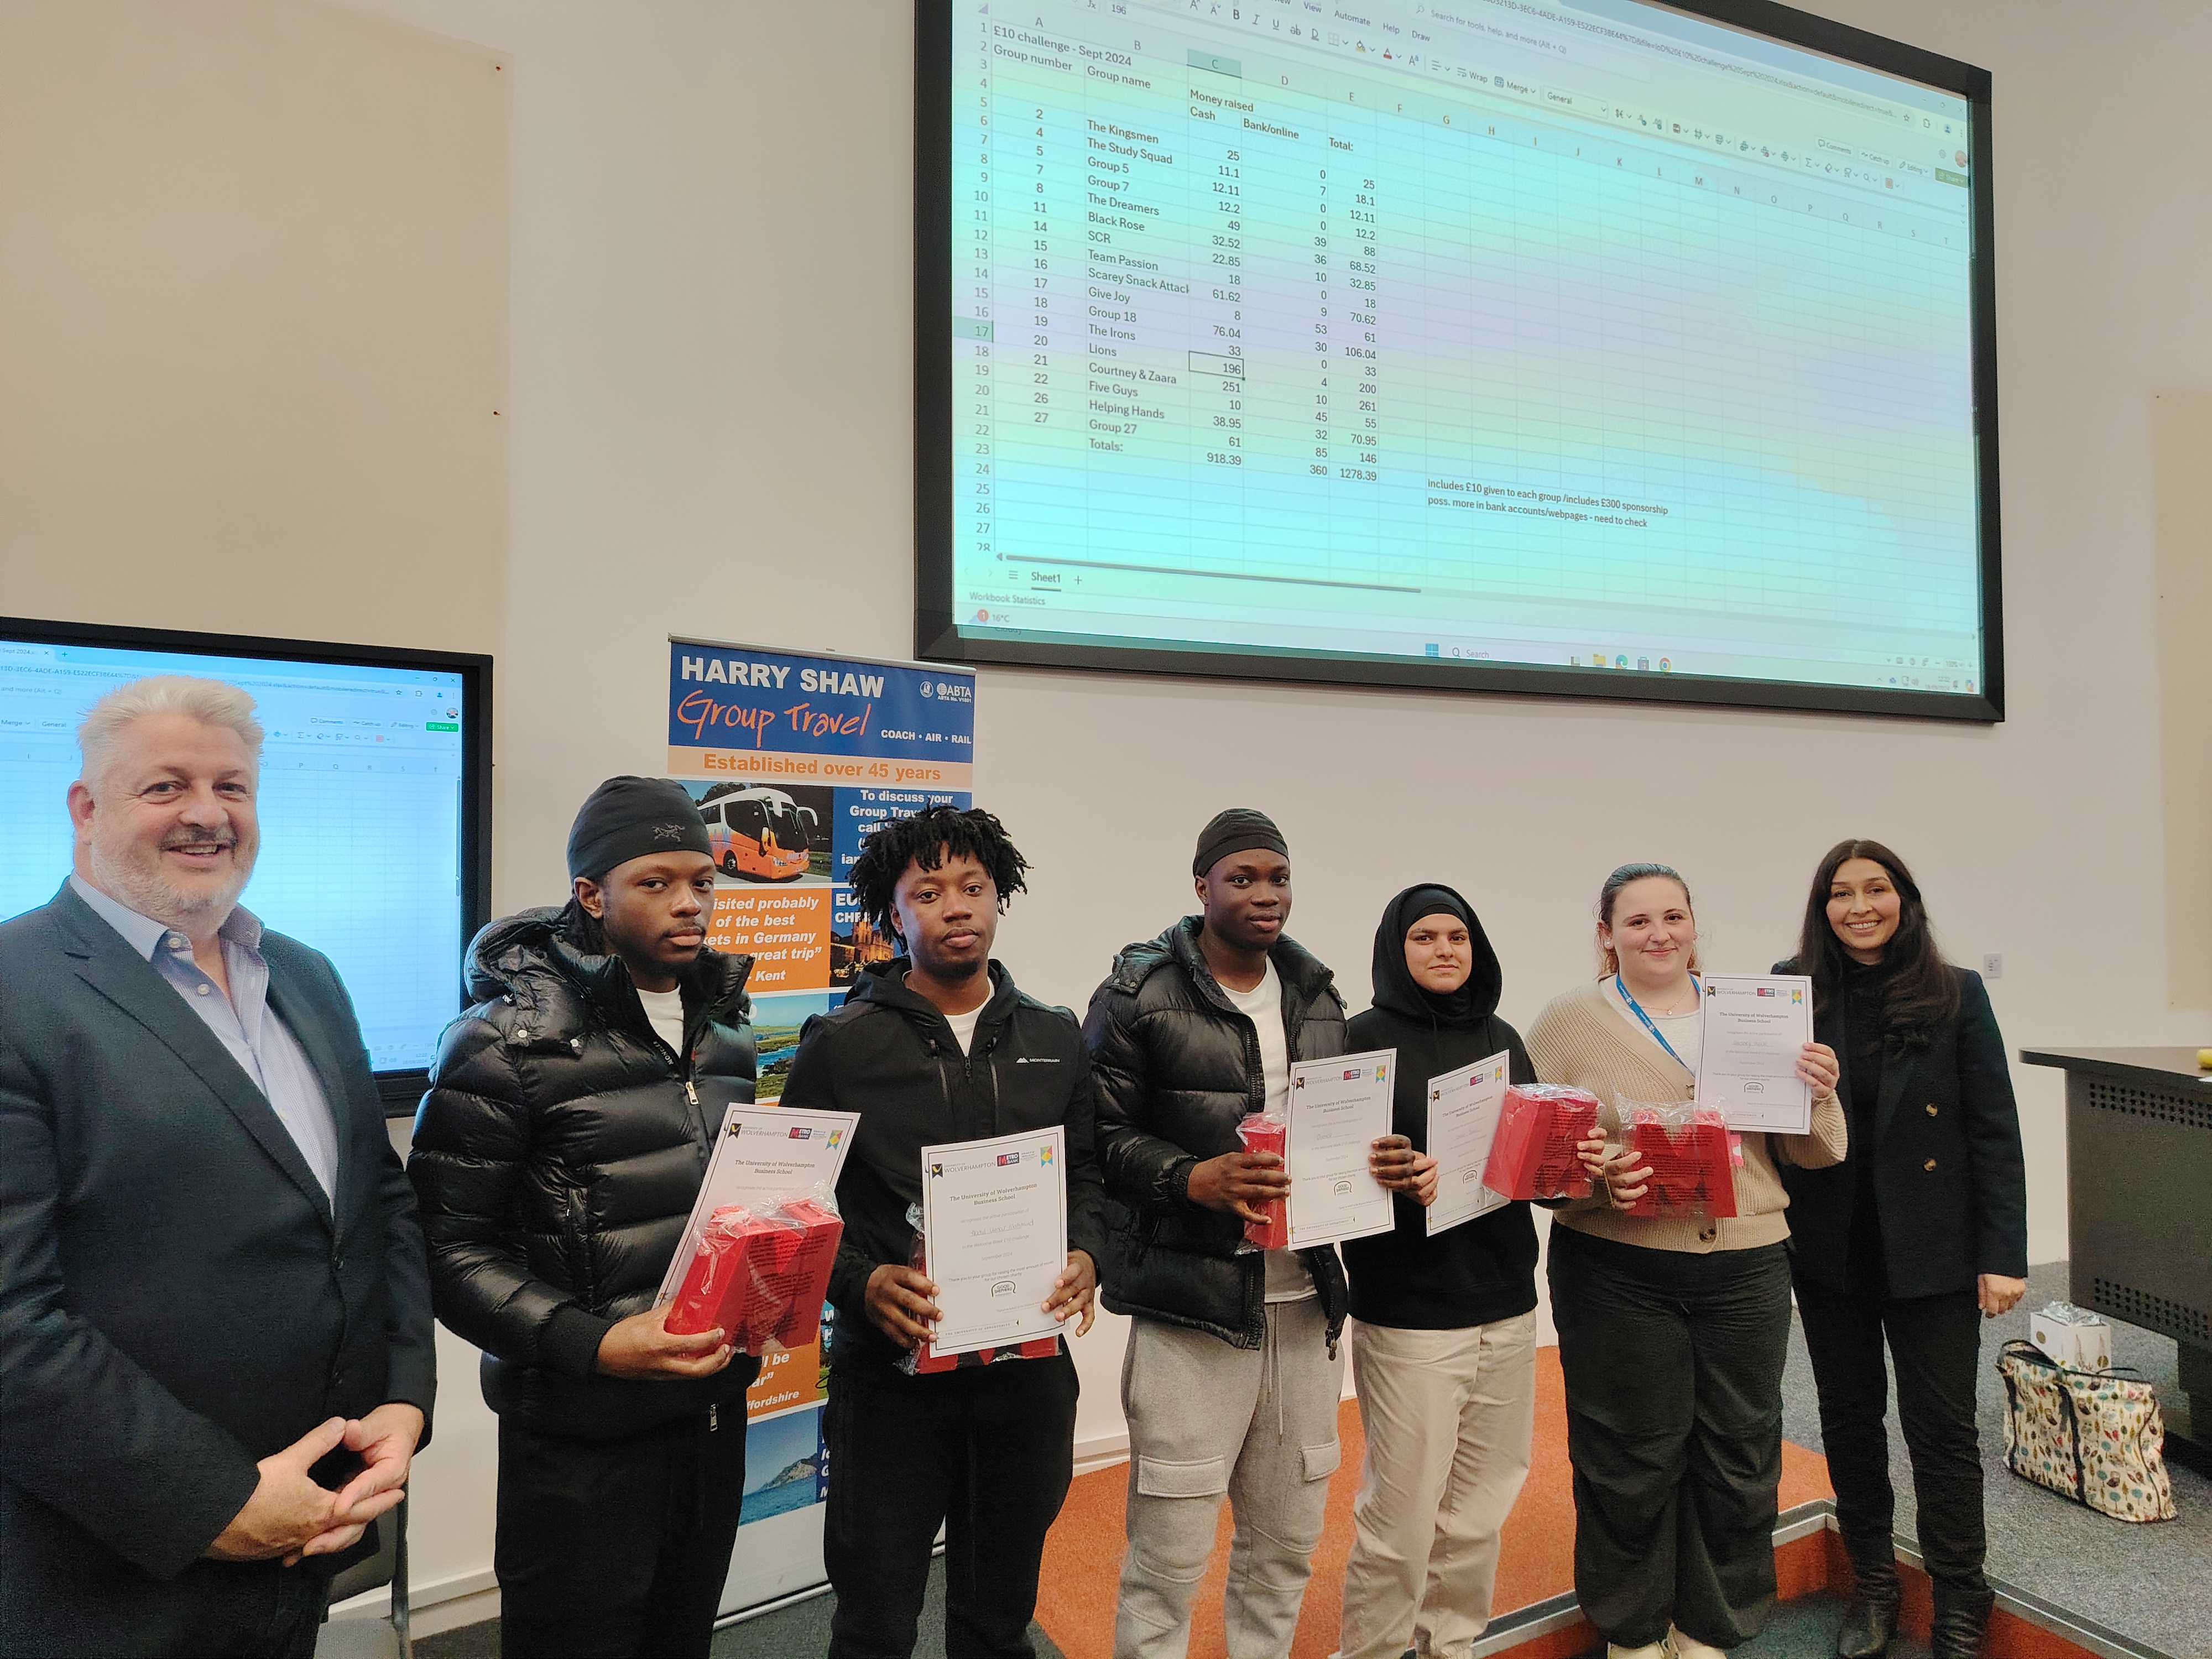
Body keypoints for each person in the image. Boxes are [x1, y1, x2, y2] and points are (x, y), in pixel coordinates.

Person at [0, 675, 435, 1659]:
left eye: (231, 788)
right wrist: (219, 1502)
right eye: (166, 787)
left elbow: (377, 1204)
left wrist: (405, 1398)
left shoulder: (306, 975)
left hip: (313, 1519)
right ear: (86, 808)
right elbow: (10, 1322)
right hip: (113, 1563)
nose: (206, 814)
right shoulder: (15, 991)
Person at [408, 776, 758, 1659]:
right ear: (591, 895)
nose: (689, 904)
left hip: (709, 1416)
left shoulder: (726, 1033)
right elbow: (445, 1250)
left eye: (703, 882)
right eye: (656, 882)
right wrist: (591, 1343)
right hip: (578, 1438)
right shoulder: (502, 1043)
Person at [780, 805, 1107, 1659]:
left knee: (998, 1617)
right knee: (877, 1621)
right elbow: (794, 1208)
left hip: (1025, 1381)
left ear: (1000, 899)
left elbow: (1093, 1181)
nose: (956, 906)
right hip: (890, 1384)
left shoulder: (1055, 1036)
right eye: (928, 891)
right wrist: (860, 1284)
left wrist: (1089, 1255)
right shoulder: (839, 1047)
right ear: (894, 914)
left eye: (974, 887)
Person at [1525, 862, 1846, 1659]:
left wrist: (1819, 1090)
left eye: (1674, 917)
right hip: (1616, 1268)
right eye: (1637, 922)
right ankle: (1632, 1634)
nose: (1659, 934)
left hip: (1746, 1266)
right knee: (1626, 1458)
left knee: (1740, 1452)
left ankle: (1711, 1627)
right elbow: (1536, 1164)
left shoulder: (1755, 1015)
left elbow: (1808, 1153)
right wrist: (1599, 1179)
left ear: (1695, 926)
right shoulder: (1566, 1023)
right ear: (1605, 935)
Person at [1083, 807, 1351, 1659]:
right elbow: (1098, 1137)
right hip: (1191, 1307)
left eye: (1278, 878)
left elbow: (1335, 1127)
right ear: (1202, 886)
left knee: (1285, 1545)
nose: (1265, 894)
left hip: (1305, 1304)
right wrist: (1192, 1178)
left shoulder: (1319, 993)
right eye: (1243, 878)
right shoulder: (1140, 993)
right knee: (1168, 1556)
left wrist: (1366, 1161)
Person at [1776, 841, 2026, 1659]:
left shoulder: (1957, 993)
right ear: (1823, 909)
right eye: (1840, 894)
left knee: (1943, 1433)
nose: (1859, 907)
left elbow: (1994, 1131)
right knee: (1849, 1422)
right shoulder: (1788, 991)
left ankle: (1961, 1596)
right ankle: (1876, 1585)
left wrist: (2004, 1254)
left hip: (1936, 1253)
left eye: (1875, 890)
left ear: (1904, 898)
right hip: (1831, 1250)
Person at [1336, 885, 1543, 1659]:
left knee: (1481, 1507)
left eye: (1457, 935)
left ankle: (1450, 1645)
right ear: (1397, 949)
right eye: (1425, 937)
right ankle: (1376, 1651)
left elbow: (1534, 1169)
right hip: (1411, 1309)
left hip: (1507, 1301)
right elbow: (1327, 1176)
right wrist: (1389, 1174)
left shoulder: (1504, 1037)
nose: (1445, 950)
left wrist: (1568, 1155)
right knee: (1403, 1513)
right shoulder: (1358, 1040)